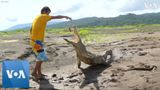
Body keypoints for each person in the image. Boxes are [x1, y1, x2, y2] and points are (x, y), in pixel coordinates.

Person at [30, 6, 72, 79]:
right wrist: (65, 16)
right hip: (37, 42)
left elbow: (31, 29)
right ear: (44, 11)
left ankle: (38, 73)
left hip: (35, 41)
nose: (48, 15)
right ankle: (34, 73)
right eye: (48, 13)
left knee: (40, 58)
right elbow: (55, 17)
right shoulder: (43, 16)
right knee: (41, 57)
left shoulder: (37, 18)